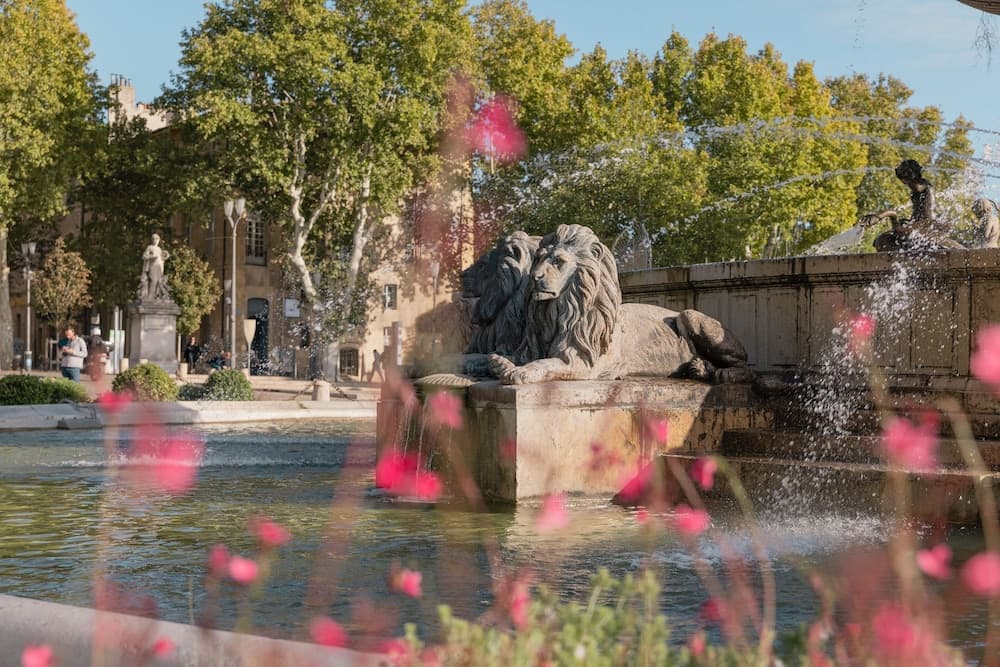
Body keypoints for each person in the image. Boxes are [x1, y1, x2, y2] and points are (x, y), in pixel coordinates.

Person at [860, 159, 963, 252]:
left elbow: (917, 187)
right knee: (882, 240)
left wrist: (908, 178)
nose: (904, 182)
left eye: (906, 175)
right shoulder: (914, 190)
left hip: (925, 225)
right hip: (915, 224)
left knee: (891, 238)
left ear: (912, 174)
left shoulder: (924, 184)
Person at [139, 233, 171, 300]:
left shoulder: (159, 249)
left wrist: (165, 257)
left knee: (159, 281)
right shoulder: (150, 247)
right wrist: (152, 257)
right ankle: (150, 296)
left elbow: (162, 258)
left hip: (160, 266)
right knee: (153, 280)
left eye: (157, 239)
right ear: (152, 240)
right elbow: (144, 256)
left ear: (159, 240)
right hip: (153, 265)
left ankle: (157, 296)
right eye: (154, 239)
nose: (155, 240)